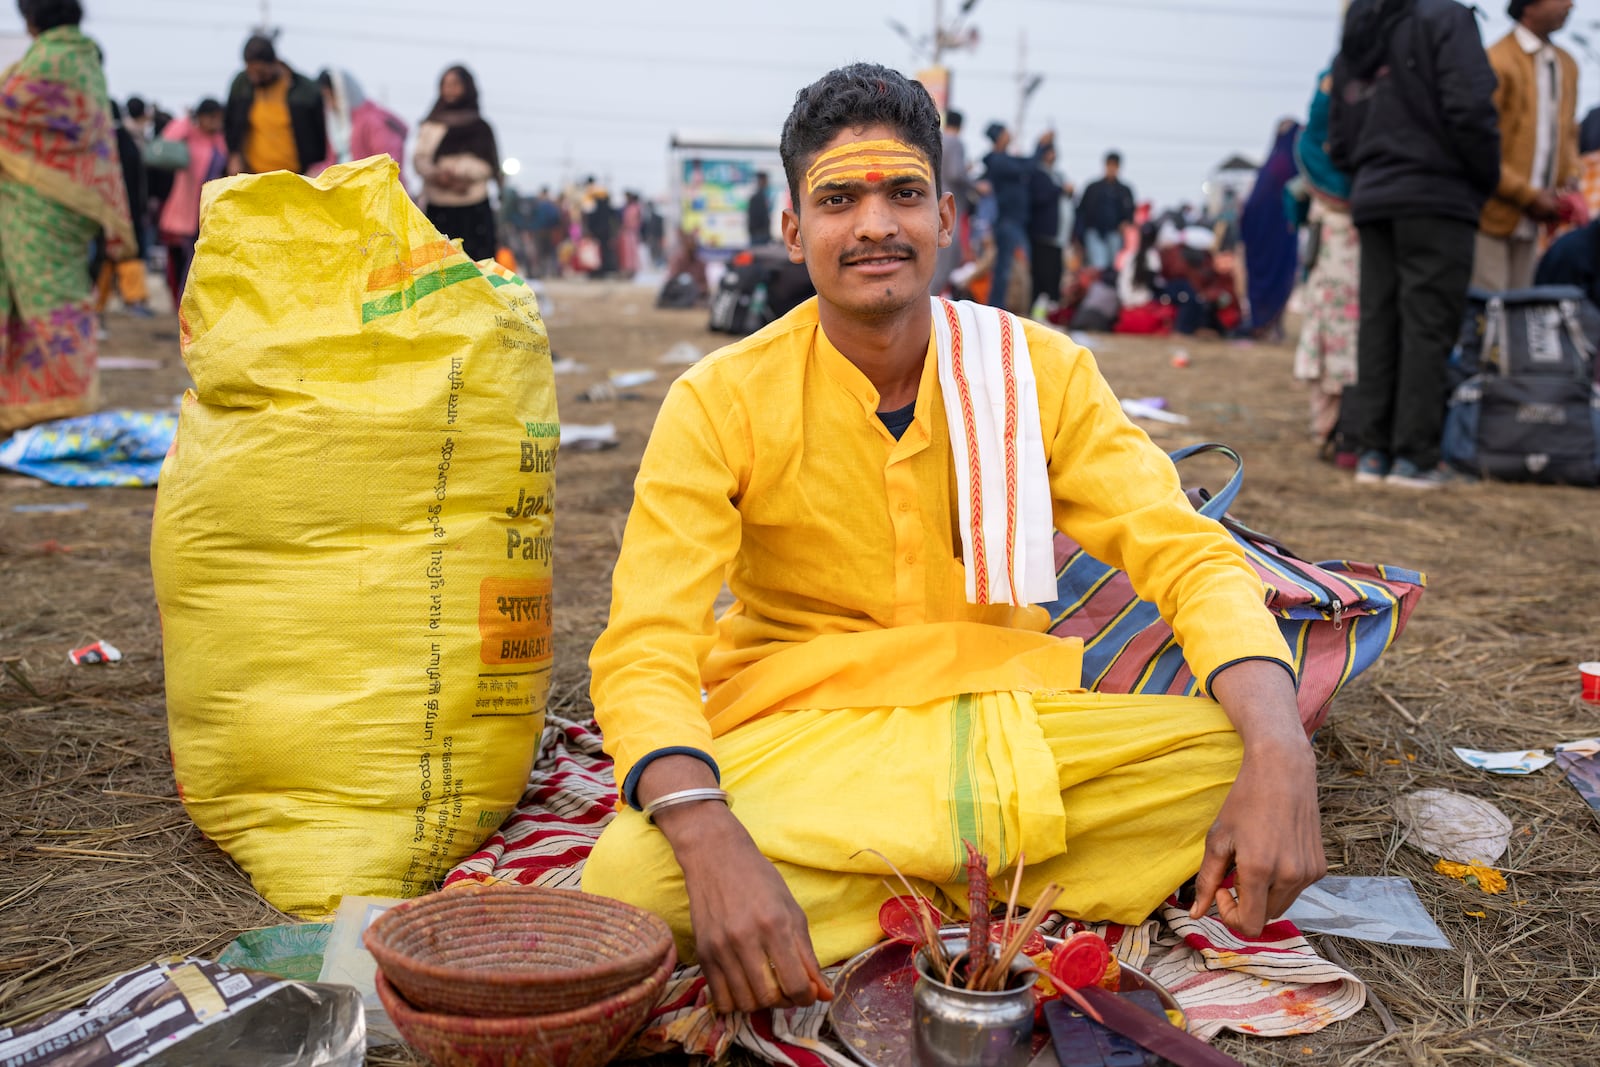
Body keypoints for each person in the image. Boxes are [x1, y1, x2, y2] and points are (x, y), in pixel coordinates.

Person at [581, 61, 1324, 1017]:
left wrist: (1279, 746)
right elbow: (646, 644)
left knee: (1240, 759)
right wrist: (707, 829)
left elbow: (1180, 549)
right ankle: (993, 890)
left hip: (1003, 717)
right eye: (839, 199)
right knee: (636, 877)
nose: (875, 225)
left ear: (948, 221)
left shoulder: (1037, 371)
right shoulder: (720, 400)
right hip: (809, 735)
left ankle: (875, 895)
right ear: (794, 230)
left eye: (905, 194)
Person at [1329, 0, 1500, 489]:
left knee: (1379, 321)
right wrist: (1482, 179)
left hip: (1376, 194)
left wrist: (1369, 171)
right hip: (1436, 191)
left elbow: (1338, 138)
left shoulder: (1361, 26)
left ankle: (1373, 453)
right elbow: (1470, 107)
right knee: (1428, 323)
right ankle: (1415, 458)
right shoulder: (1445, 17)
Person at [0, 0, 136, 432]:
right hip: (74, 205)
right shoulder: (86, 60)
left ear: (31, 19)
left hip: (35, 204)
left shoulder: (48, 61)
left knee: (40, 300)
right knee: (59, 297)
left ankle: (51, 404)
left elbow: (8, 111)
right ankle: (51, 402)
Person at [1474, 0, 1580, 293]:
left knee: (1521, 312)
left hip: (1537, 217)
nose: (1571, 5)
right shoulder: (1497, 60)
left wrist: (1569, 178)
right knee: (1490, 313)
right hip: (1494, 214)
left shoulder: (1566, 64)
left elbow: (1568, 133)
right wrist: (1527, 194)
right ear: (1529, 6)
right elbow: (1481, 145)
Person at [1293, 69, 1361, 468]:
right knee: (1336, 335)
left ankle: (1336, 430)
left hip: (1354, 236)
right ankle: (1329, 430)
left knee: (1343, 336)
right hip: (1341, 238)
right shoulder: (1337, 78)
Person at [413, 65, 500, 263]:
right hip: (438, 206)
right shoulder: (431, 125)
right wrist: (438, 175)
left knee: (478, 268)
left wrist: (460, 172)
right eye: (446, 85)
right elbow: (419, 159)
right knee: (439, 268)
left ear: (467, 88)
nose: (450, 90)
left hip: (473, 206)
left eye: (455, 84)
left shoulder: (481, 127)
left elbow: (489, 165)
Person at [223, 35, 326, 177]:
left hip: (297, 178)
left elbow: (322, 135)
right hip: (253, 178)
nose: (255, 78)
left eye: (261, 72)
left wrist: (316, 167)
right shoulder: (241, 85)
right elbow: (230, 124)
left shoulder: (305, 91)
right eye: (251, 73)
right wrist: (234, 154)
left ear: (275, 63)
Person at [156, 98, 227, 301]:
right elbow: (168, 138)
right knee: (185, 260)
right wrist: (187, 119)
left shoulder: (220, 140)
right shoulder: (189, 136)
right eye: (211, 117)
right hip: (188, 206)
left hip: (212, 208)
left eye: (218, 117)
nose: (215, 122)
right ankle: (182, 302)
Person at [1240, 120, 1302, 339]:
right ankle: (1269, 325)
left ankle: (1265, 323)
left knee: (1268, 279)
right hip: (1278, 235)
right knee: (1281, 276)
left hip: (1263, 236)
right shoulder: (1286, 164)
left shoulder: (1269, 166)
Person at [94, 98, 153, 321]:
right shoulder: (125, 140)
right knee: (120, 253)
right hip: (128, 211)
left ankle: (107, 302)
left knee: (113, 255)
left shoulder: (109, 141)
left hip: (118, 210)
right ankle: (130, 300)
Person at [314, 69, 408, 183]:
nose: (329, 103)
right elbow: (336, 161)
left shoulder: (375, 121)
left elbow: (388, 165)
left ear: (343, 93)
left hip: (377, 195)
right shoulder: (339, 125)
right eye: (326, 98)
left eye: (331, 97)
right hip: (351, 192)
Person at [979, 121, 1032, 310]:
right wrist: (1041, 147)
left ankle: (1001, 306)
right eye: (1006, 132)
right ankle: (996, 307)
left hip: (1014, 221)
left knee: (1009, 267)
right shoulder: (997, 160)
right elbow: (1027, 165)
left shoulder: (1003, 160)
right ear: (1000, 136)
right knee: (1003, 268)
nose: (1010, 135)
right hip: (1006, 221)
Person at [1027, 134, 1073, 317]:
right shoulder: (1037, 174)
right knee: (1042, 276)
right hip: (1042, 234)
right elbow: (1039, 197)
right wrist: (1060, 190)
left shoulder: (1058, 175)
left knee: (1055, 276)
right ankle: (1037, 312)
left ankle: (1049, 312)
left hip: (1059, 237)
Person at [931, 109, 974, 296]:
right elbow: (956, 173)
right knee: (947, 257)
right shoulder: (956, 142)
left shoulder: (936, 139)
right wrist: (974, 181)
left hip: (933, 199)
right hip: (950, 205)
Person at [1075, 152, 1135, 270]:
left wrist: (1125, 223)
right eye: (1109, 165)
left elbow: (1130, 214)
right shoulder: (1092, 188)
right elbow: (1081, 212)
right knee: (1099, 266)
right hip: (1094, 232)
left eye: (1114, 165)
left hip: (1114, 233)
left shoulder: (1124, 190)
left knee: (1115, 267)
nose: (1111, 168)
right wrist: (1079, 236)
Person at [619, 190, 643, 277]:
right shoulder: (628, 208)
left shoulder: (635, 208)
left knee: (632, 252)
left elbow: (637, 220)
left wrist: (632, 227)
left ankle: (632, 269)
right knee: (627, 252)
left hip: (632, 232)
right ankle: (628, 269)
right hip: (628, 233)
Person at [747, 171, 772, 246]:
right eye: (765, 180)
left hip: (761, 235)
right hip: (759, 235)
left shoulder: (763, 197)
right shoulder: (756, 198)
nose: (767, 183)